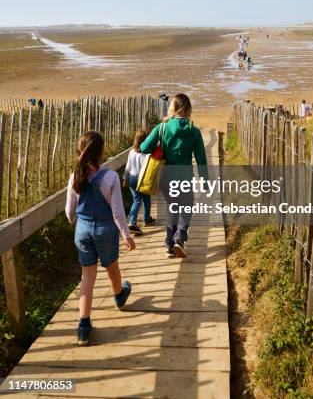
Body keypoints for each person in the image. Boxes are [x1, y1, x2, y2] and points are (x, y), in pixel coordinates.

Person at [65, 131, 135, 346]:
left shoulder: (75, 175)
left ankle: (83, 327)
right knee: (112, 266)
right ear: (102, 152)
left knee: (87, 277)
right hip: (105, 230)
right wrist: (126, 235)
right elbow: (117, 212)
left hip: (83, 230)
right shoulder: (111, 177)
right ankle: (119, 296)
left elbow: (69, 211)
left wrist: (78, 225)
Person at [140, 93, 208, 259]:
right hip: (184, 176)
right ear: (188, 109)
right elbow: (201, 158)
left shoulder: (162, 127)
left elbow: (144, 147)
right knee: (187, 207)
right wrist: (205, 181)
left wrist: (160, 141)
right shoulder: (194, 131)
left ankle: (170, 245)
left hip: (165, 176)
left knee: (172, 207)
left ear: (174, 108)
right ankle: (180, 238)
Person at [123, 128, 155, 234]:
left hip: (132, 178)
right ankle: (146, 219)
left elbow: (128, 166)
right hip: (143, 180)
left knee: (136, 200)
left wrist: (125, 179)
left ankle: (132, 221)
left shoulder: (132, 152)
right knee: (146, 200)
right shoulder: (148, 154)